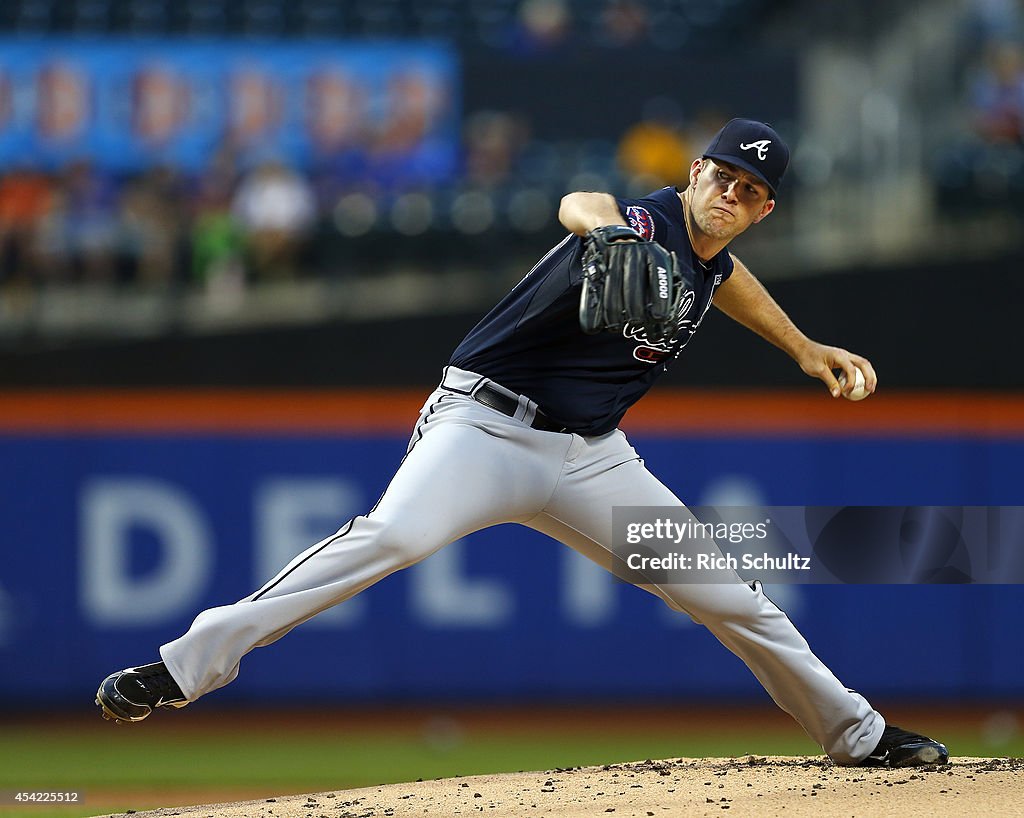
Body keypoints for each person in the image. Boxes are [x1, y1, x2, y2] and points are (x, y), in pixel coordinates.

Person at [96, 119, 948, 769]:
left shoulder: (708, 259)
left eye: (746, 189)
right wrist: (604, 233)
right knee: (390, 536)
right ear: (692, 174)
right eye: (719, 174)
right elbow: (584, 202)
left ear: (763, 209)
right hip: (484, 426)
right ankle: (187, 665)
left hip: (592, 459)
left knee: (733, 595)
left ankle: (856, 736)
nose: (727, 192)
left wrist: (803, 348)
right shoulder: (641, 225)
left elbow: (726, 281)